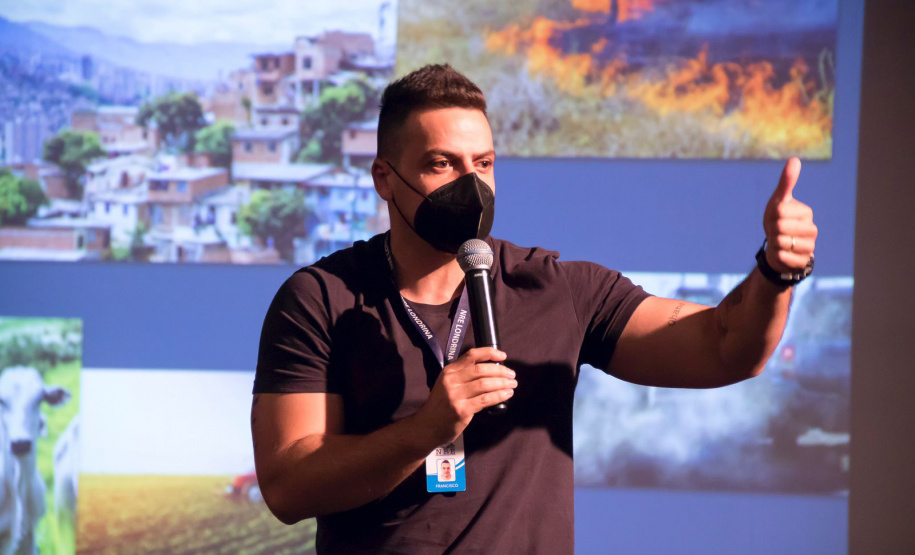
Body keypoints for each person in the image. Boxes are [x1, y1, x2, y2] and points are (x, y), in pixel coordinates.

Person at [251, 64, 817, 553]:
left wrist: (775, 272)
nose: (471, 184)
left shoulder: (558, 290)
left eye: (485, 162)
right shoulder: (320, 298)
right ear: (384, 178)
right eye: (442, 164)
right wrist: (426, 429)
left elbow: (726, 347)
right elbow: (287, 486)